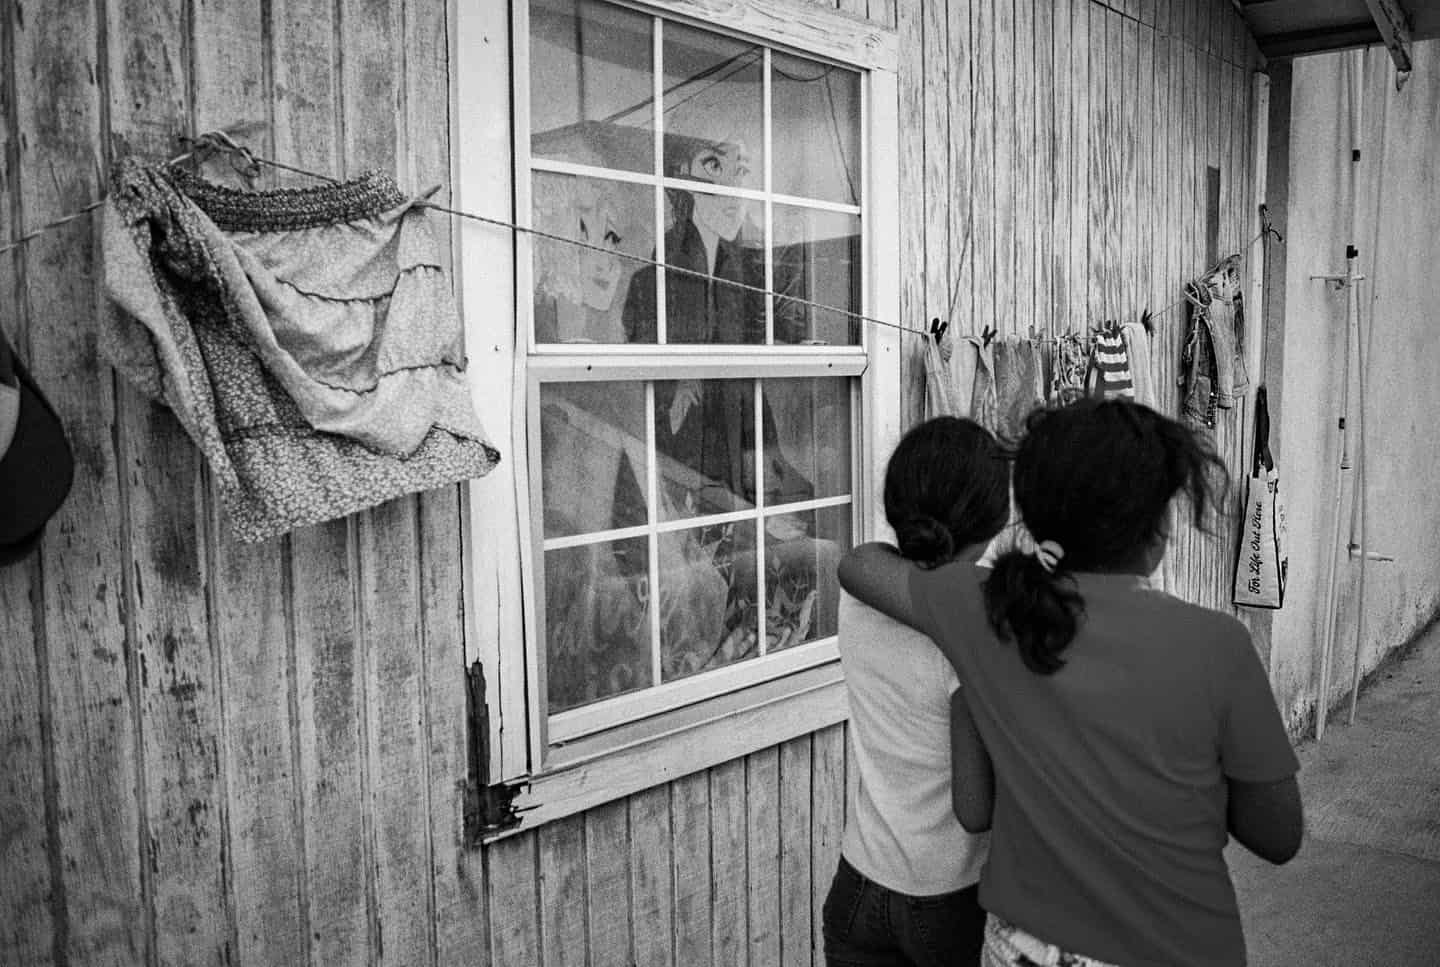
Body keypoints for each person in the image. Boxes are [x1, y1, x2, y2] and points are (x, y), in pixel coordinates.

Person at [839, 398, 1303, 967]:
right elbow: (1278, 835)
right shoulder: (1217, 646)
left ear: (1030, 517)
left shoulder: (990, 612)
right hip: (1176, 943)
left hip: (1024, 948)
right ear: (1158, 529)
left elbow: (858, 566)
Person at [824, 417, 1010, 967]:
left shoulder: (860, 598)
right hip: (946, 899)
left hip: (859, 881)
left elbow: (858, 561)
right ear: (996, 520)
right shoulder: (974, 637)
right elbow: (974, 810)